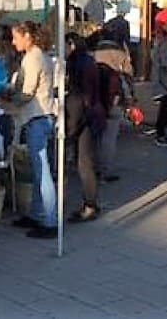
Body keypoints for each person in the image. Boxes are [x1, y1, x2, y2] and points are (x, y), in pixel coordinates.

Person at [0, 21, 57, 239]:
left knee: (42, 172)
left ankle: (50, 221)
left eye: (16, 37)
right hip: (40, 117)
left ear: (27, 37)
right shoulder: (37, 55)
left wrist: (6, 100)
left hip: (37, 117)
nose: (13, 42)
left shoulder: (33, 58)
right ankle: (36, 214)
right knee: (38, 170)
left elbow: (26, 93)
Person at [64, 33, 103, 223]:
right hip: (90, 115)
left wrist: (72, 128)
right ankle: (90, 203)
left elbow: (82, 96)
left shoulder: (79, 63)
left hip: (86, 117)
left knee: (84, 163)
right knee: (85, 162)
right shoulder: (87, 60)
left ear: (71, 45)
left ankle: (90, 205)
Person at [92, 32, 132, 183]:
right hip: (112, 103)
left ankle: (95, 167)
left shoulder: (97, 51)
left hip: (96, 101)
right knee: (109, 139)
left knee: (96, 137)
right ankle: (105, 171)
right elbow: (128, 74)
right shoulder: (120, 54)